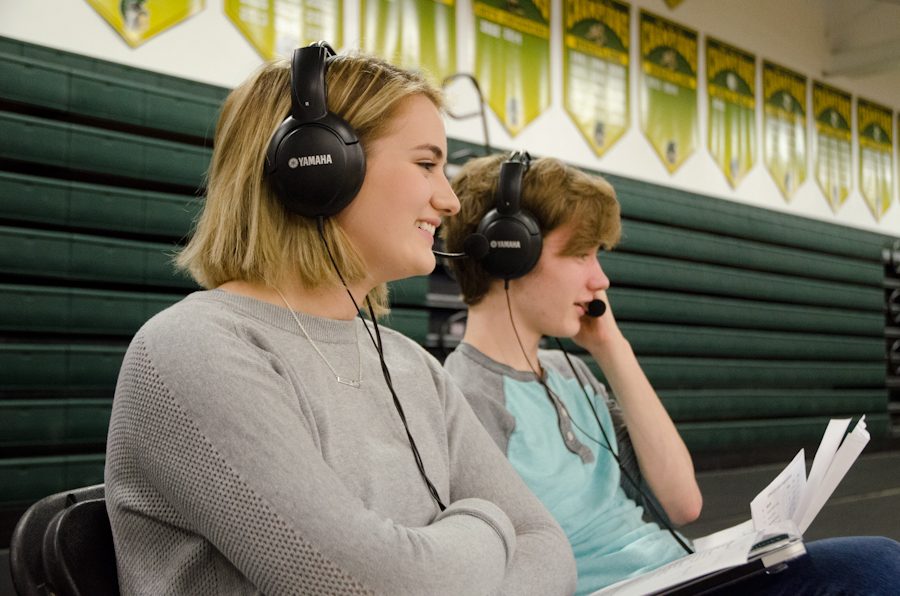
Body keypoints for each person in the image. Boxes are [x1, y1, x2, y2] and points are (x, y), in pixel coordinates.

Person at [105, 44, 576, 595]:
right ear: (319, 165)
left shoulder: (413, 367)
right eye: (426, 164)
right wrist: (488, 520)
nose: (449, 200)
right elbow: (366, 587)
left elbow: (547, 549)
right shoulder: (195, 348)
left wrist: (444, 560)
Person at [441, 152, 900, 595]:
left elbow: (683, 503)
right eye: (581, 255)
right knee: (876, 567)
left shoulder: (572, 373)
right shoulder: (467, 396)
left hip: (682, 569)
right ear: (510, 253)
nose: (600, 280)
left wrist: (611, 348)